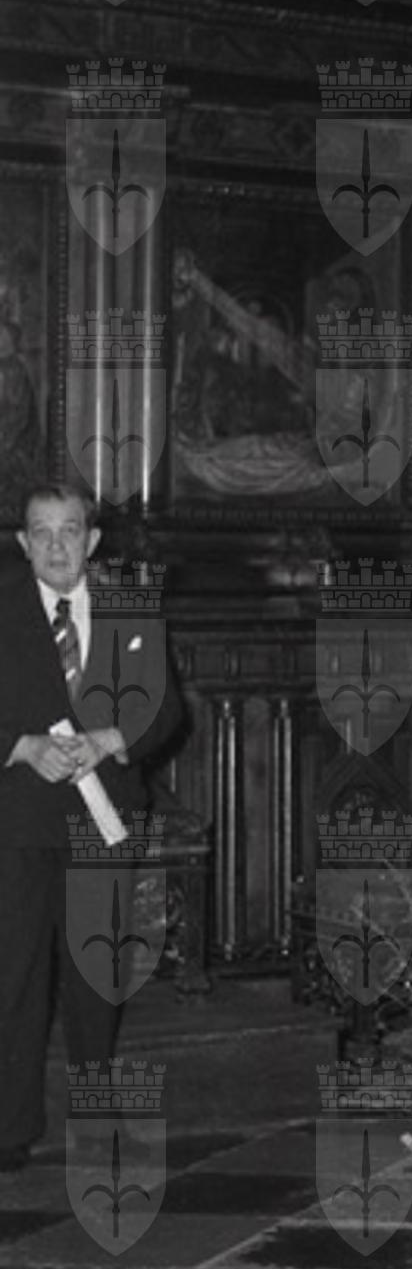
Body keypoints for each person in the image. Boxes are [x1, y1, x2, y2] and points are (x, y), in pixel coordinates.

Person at [0, 482, 183, 1173]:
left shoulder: (131, 609)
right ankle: (10, 1128)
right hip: (17, 823)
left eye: (70, 530)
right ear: (23, 542)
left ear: (93, 540)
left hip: (101, 821)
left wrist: (112, 739)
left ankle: (94, 1120)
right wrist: (23, 748)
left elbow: (167, 710)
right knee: (13, 978)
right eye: (42, 533)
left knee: (95, 980)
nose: (56, 546)